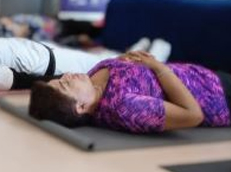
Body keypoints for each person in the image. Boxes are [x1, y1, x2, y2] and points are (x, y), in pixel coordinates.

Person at [28, 51, 231, 133]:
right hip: (222, 97)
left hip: (208, 77)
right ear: (81, 107)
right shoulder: (124, 107)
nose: (68, 76)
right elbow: (193, 115)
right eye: (65, 85)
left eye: (61, 78)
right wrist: (158, 67)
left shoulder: (91, 83)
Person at [0, 35, 172, 91]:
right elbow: (12, 80)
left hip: (50, 53)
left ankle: (140, 51)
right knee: (112, 63)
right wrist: (60, 82)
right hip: (57, 65)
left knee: (107, 55)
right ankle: (157, 56)